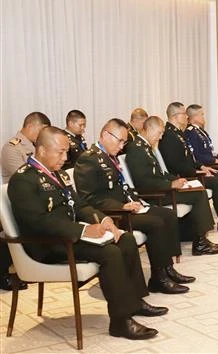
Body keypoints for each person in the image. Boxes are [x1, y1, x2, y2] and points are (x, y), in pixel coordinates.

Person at [7, 126, 168, 340]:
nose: (66, 157)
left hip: (69, 236)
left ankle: (134, 302)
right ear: (42, 149)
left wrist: (103, 219)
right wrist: (84, 230)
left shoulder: (59, 174)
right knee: (110, 253)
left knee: (125, 238)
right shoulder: (23, 180)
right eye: (60, 152)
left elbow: (80, 206)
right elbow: (38, 223)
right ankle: (120, 322)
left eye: (67, 151)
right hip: (48, 245)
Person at [74, 118, 195, 295]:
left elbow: (121, 186)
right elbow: (90, 199)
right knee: (156, 223)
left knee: (167, 215)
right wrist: (122, 206)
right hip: (113, 213)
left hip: (127, 206)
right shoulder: (89, 160)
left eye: (124, 141)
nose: (122, 146)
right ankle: (159, 278)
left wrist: (135, 200)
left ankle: (167, 269)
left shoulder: (109, 157)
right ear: (106, 135)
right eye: (119, 140)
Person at [124, 116, 218, 256]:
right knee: (198, 194)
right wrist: (170, 184)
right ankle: (200, 243)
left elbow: (161, 173)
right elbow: (143, 182)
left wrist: (178, 179)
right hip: (154, 193)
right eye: (159, 133)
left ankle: (199, 237)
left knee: (196, 189)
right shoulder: (136, 149)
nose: (160, 138)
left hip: (161, 187)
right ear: (149, 129)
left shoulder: (145, 147)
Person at [158, 102, 218, 232]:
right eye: (184, 114)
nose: (186, 117)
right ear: (175, 116)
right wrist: (196, 171)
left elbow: (190, 158)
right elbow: (175, 165)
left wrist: (202, 167)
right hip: (183, 177)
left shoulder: (178, 133)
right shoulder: (169, 136)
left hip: (191, 171)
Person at [0, 111, 51, 291]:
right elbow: (24, 181)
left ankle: (43, 260)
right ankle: (7, 273)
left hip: (37, 198)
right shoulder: (12, 148)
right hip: (16, 201)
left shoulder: (37, 147)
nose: (44, 136)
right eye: (42, 130)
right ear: (32, 126)